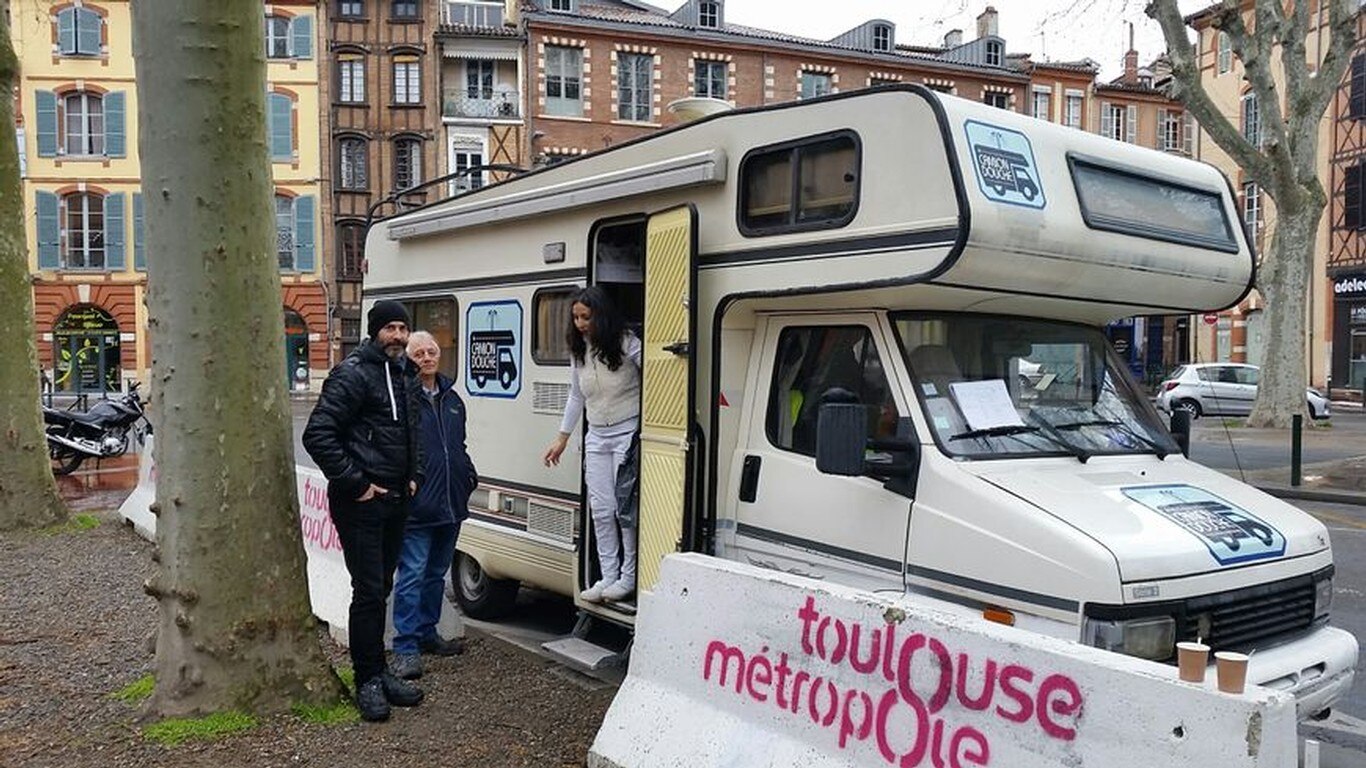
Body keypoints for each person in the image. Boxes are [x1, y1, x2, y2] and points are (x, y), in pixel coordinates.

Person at [302, 300, 425, 722]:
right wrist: (355, 483)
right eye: (390, 328)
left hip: (396, 499)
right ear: (374, 332)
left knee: (382, 588)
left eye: (403, 328)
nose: (398, 336)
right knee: (368, 592)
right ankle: (367, 678)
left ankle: (380, 668)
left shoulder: (405, 373)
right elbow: (318, 434)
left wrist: (414, 474)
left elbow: (412, 431)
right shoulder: (352, 373)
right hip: (361, 502)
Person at [542, 286, 641, 603]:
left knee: (624, 509)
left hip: (627, 429)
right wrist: (562, 437)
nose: (581, 323)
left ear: (602, 315)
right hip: (596, 434)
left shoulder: (626, 342)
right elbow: (575, 395)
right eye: (576, 317)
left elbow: (656, 373)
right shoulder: (579, 350)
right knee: (601, 509)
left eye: (586, 317)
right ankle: (608, 576)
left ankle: (628, 577)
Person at [391, 331, 476, 680]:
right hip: (417, 505)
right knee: (410, 575)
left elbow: (458, 444)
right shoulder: (402, 397)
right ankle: (405, 647)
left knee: (435, 575)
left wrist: (468, 476)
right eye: (419, 353)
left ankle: (427, 633)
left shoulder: (453, 399)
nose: (427, 358)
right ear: (408, 359)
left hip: (451, 503)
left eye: (432, 352)